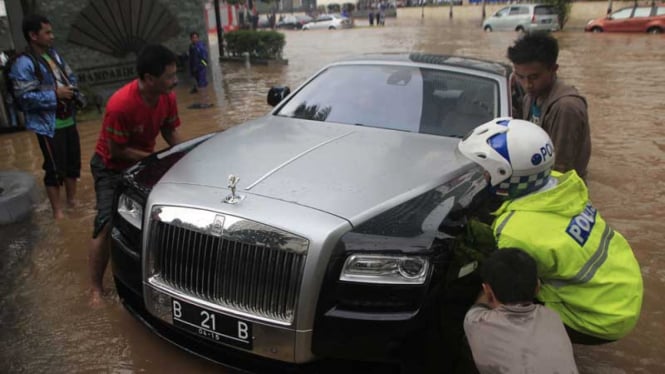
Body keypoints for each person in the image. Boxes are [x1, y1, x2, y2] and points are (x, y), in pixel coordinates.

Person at [457, 117, 643, 344]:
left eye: (486, 171)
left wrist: (478, 312)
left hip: (601, 319)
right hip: (623, 288)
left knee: (503, 299)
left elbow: (508, 296)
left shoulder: (515, 231)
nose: (483, 176)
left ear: (505, 174)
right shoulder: (562, 184)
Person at [88, 44, 185, 305]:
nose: (175, 81)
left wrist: (185, 156)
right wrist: (155, 160)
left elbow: (170, 131)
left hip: (143, 162)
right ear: (149, 79)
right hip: (110, 166)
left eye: (175, 74)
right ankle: (95, 289)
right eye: (169, 76)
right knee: (107, 223)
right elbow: (115, 151)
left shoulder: (168, 97)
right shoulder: (120, 105)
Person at [9, 14, 81, 220]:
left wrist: (72, 91)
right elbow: (24, 98)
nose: (52, 36)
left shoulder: (54, 56)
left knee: (72, 164)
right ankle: (58, 212)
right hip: (48, 125)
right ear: (33, 35)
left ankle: (72, 202)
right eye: (47, 32)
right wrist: (55, 94)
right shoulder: (23, 63)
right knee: (54, 168)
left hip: (69, 119)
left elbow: (70, 76)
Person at [464, 248, 578, 374]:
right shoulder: (552, 317)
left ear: (488, 292)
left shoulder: (475, 322)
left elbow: (480, 305)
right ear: (537, 288)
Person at [507, 32, 591, 179]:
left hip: (560, 192)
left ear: (553, 69)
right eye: (521, 77)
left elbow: (560, 168)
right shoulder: (530, 97)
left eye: (534, 77)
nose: (527, 84)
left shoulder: (566, 107)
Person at [187, 31, 212, 109]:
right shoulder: (191, 47)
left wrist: (202, 66)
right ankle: (204, 101)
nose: (194, 39)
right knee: (200, 85)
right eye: (193, 38)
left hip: (201, 69)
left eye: (196, 37)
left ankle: (205, 102)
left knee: (202, 84)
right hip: (195, 69)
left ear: (198, 38)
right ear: (191, 39)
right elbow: (191, 59)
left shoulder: (200, 46)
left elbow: (204, 59)